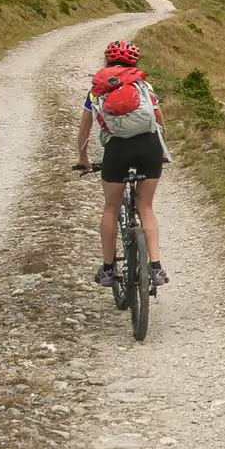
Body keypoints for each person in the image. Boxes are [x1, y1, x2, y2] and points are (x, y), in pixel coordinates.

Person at [73, 39, 171, 286]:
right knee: (146, 207)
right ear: (135, 63)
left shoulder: (96, 90)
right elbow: (160, 122)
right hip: (149, 146)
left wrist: (83, 159)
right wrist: (161, 151)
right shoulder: (144, 85)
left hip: (117, 150)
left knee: (111, 208)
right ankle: (156, 268)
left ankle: (107, 269)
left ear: (107, 61)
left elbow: (84, 129)